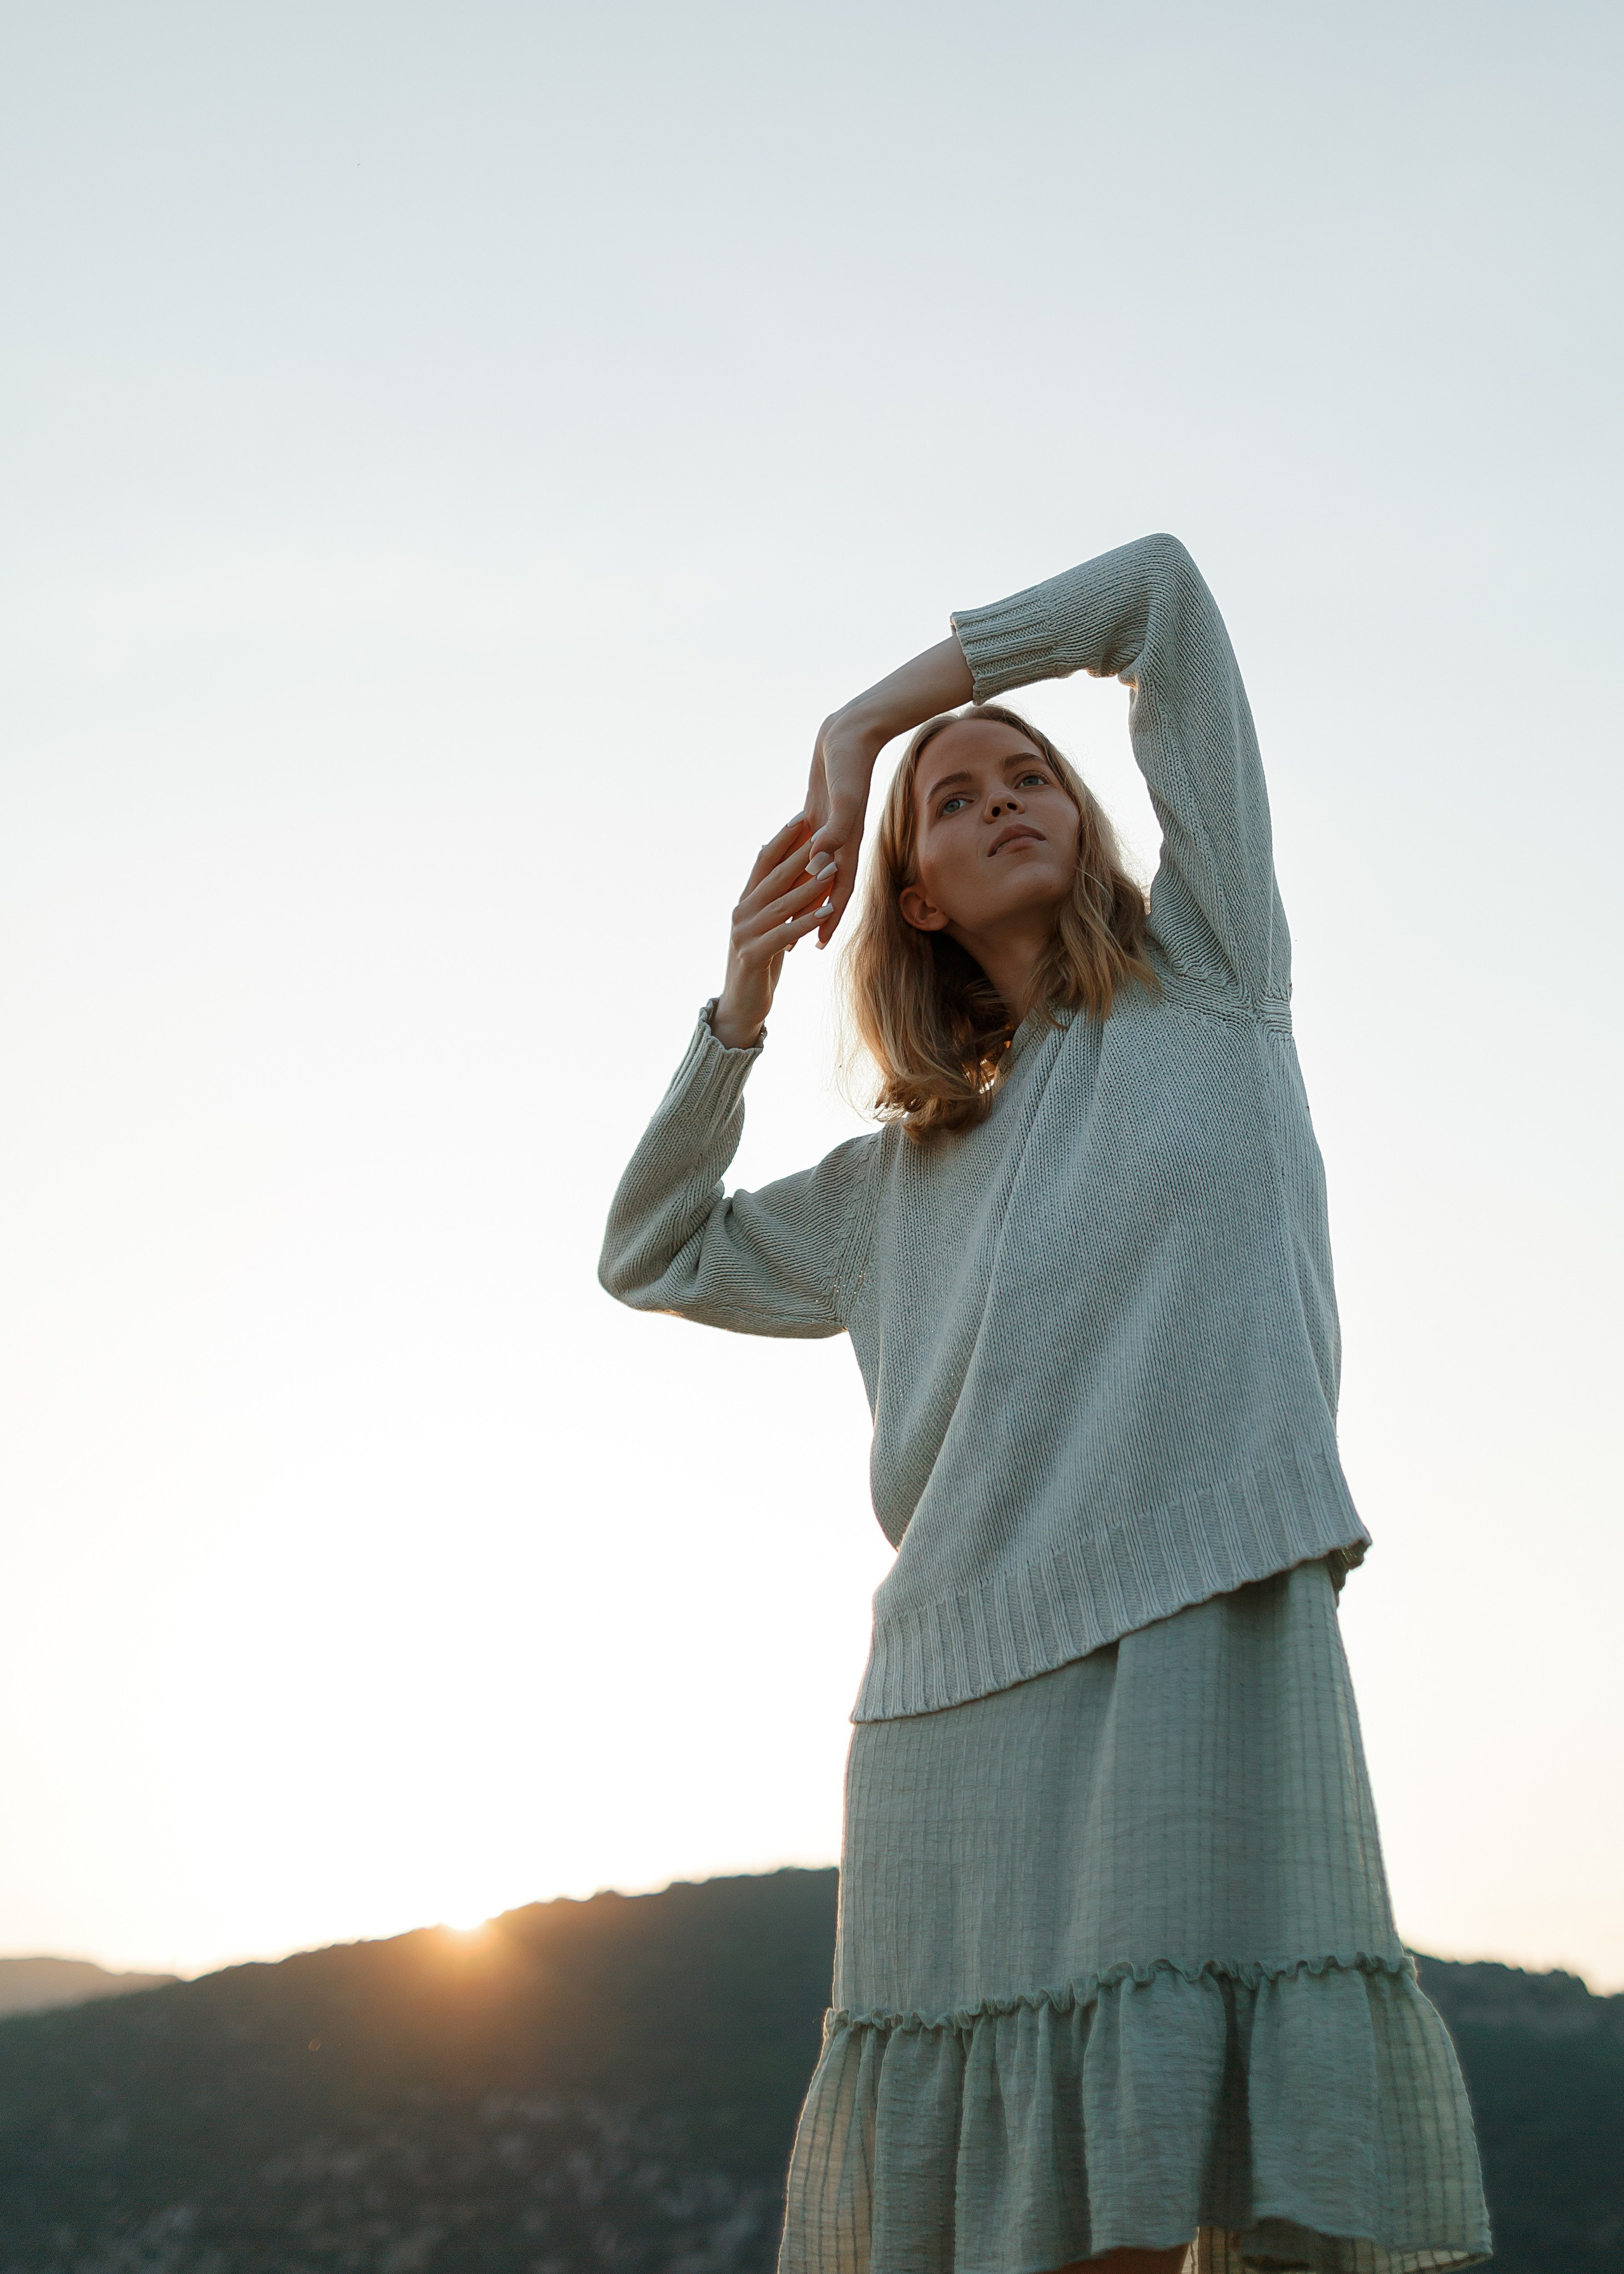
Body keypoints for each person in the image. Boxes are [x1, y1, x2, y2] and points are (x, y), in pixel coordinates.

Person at [599, 533, 1489, 2274]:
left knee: (1172, 2184)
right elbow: (655, 1249)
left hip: (1199, 1623)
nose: (1003, 793)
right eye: (953, 798)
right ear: (913, 893)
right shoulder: (891, 1187)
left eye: (1032, 775)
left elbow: (1156, 591)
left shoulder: (1218, 985)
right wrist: (743, 1002)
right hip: (954, 1701)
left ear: (1088, 827)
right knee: (1034, 2232)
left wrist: (879, 722)